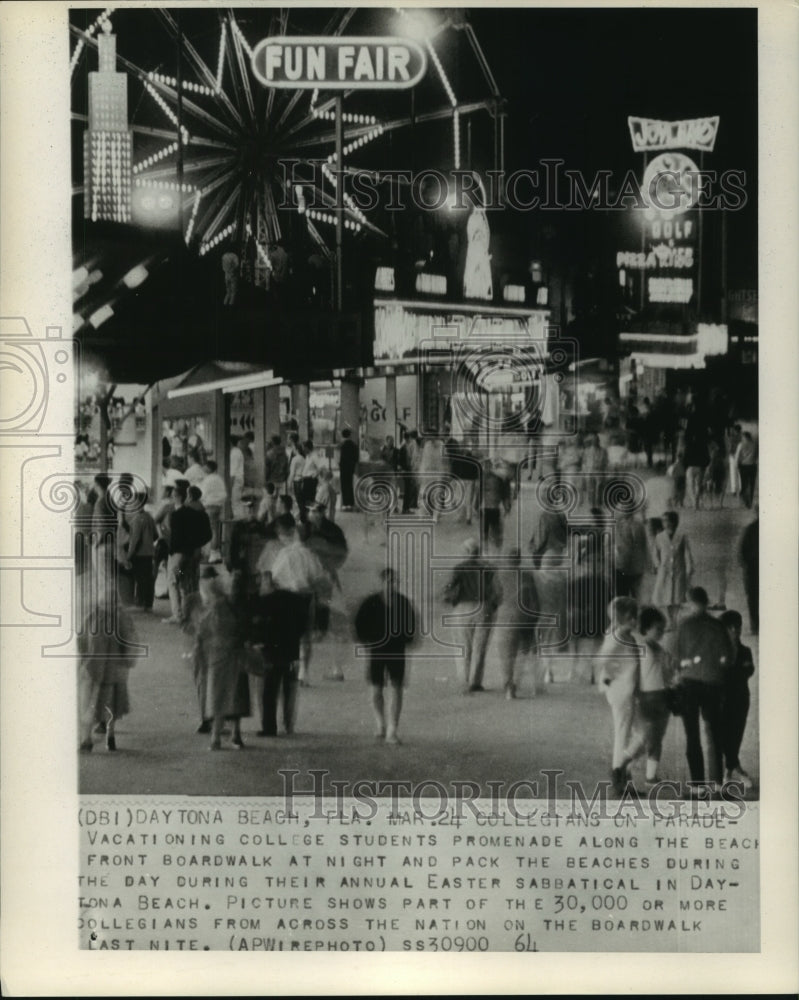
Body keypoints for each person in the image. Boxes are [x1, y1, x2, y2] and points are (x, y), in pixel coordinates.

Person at [674, 587, 734, 789]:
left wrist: (683, 667)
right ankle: (717, 783)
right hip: (713, 684)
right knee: (714, 734)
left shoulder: (684, 625)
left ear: (690, 602)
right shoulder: (718, 626)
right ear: (707, 602)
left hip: (689, 683)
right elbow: (728, 657)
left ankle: (697, 784)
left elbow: (676, 657)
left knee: (692, 735)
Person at [612, 606, 677, 788]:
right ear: (646, 628)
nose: (661, 632)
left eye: (662, 628)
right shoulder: (642, 647)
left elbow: (666, 672)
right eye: (658, 628)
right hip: (647, 697)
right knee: (645, 736)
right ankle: (621, 765)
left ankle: (650, 776)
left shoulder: (660, 649)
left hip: (662, 695)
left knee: (657, 737)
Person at [355, 568, 418, 744]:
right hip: (377, 650)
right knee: (376, 689)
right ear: (382, 582)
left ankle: (392, 729)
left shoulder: (403, 602)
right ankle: (380, 723)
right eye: (390, 581)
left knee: (397, 688)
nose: (393, 584)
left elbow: (410, 626)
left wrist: (406, 639)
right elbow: (360, 624)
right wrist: (367, 641)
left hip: (396, 651)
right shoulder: (371, 602)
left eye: (395, 581)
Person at [190, 566, 250, 750]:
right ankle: (235, 735)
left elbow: (202, 630)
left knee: (218, 697)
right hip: (235, 654)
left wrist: (198, 650)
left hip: (218, 657)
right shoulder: (238, 607)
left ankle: (216, 737)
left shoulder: (215, 608)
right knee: (236, 695)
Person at [271, 514, 332, 686]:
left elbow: (275, 577)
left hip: (287, 597)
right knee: (305, 637)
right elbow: (319, 576)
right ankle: (303, 673)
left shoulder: (284, 554)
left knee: (288, 635)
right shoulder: (308, 553)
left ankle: (290, 670)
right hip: (306, 597)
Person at [443, 538, 503, 694]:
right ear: (478, 552)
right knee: (480, 646)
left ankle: (464, 680)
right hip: (484, 607)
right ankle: (475, 681)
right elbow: (497, 591)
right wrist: (493, 605)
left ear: (466, 551)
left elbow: (448, 588)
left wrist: (452, 601)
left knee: (464, 645)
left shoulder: (459, 568)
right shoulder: (489, 568)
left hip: (463, 608)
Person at [250, 571, 306, 737]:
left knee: (269, 692)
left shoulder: (265, 602)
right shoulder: (296, 600)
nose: (260, 587)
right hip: (292, 652)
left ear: (269, 583)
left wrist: (257, 642)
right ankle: (289, 726)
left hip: (271, 653)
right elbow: (303, 625)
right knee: (290, 692)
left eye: (262, 583)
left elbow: (261, 627)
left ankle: (269, 727)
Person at [78, 598, 137, 752]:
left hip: (96, 668)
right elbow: (130, 644)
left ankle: (88, 739)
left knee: (90, 703)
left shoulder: (92, 617)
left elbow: (82, 640)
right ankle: (108, 736)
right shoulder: (121, 618)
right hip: (109, 670)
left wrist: (83, 661)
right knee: (111, 703)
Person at [595, 596, 640, 797]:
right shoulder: (620, 635)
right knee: (626, 734)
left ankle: (623, 778)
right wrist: (610, 680)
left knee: (630, 734)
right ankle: (618, 775)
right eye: (633, 617)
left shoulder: (618, 633)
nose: (636, 620)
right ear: (626, 617)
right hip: (623, 692)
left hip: (623, 690)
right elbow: (602, 659)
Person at [163, 482, 211, 625]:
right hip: (190, 554)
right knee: (185, 581)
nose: (171, 499)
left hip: (177, 555)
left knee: (172, 581)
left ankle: (177, 614)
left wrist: (171, 551)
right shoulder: (194, 514)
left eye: (172, 496)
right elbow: (205, 534)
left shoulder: (177, 515)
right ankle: (188, 613)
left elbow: (176, 537)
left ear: (177, 497)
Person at [718, 609, 755, 789]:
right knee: (724, 736)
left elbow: (748, 671)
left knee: (737, 735)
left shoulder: (745, 651)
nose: (735, 630)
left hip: (740, 699)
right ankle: (733, 768)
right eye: (731, 627)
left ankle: (730, 769)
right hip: (722, 700)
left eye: (738, 626)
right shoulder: (717, 652)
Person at [498, 549, 543, 699]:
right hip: (525, 617)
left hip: (506, 618)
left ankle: (508, 686)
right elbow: (535, 600)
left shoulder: (499, 575)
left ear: (506, 560)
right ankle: (515, 684)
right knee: (522, 653)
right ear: (519, 560)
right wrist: (534, 620)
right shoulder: (527, 575)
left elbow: (494, 597)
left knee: (507, 654)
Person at [651, 511, 694, 630]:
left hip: (679, 570)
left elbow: (687, 553)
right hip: (664, 571)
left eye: (669, 521)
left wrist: (690, 567)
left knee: (677, 596)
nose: (667, 524)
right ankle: (670, 620)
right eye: (664, 521)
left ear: (675, 522)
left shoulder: (682, 536)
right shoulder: (659, 537)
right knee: (665, 597)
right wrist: (658, 565)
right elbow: (655, 553)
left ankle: (674, 620)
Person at [125, 491, 156, 612]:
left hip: (139, 554)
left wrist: (129, 555)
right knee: (148, 579)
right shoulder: (149, 517)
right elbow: (156, 535)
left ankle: (140, 603)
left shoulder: (137, 519)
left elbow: (135, 540)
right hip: (149, 552)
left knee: (140, 579)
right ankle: (148, 604)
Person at [477, 457, 512, 553]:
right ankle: (495, 553)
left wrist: (476, 505)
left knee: (486, 534)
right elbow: (506, 495)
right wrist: (507, 507)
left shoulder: (487, 477)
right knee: (495, 534)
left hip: (487, 509)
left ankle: (487, 554)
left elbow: (478, 492)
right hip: (493, 508)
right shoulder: (501, 478)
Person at [614, 509, 649, 600]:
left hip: (632, 566)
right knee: (622, 595)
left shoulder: (637, 525)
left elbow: (640, 545)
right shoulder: (618, 524)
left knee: (635, 595)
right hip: (620, 565)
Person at [200, 460, 227, 564]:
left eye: (204, 466)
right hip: (218, 506)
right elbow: (224, 494)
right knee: (215, 529)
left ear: (208, 468)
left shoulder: (208, 480)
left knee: (211, 531)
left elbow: (202, 494)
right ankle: (216, 553)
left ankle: (211, 554)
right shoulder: (219, 478)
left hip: (209, 505)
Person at [739, 513, 759, 635]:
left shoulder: (750, 529)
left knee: (753, 598)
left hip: (752, 569)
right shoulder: (751, 529)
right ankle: (755, 624)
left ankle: (755, 624)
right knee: (753, 598)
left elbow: (742, 551)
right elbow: (742, 552)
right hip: (753, 568)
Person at [735, 431, 758, 509]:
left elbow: (737, 456)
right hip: (753, 466)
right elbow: (757, 455)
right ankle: (750, 503)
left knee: (744, 484)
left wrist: (736, 465)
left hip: (743, 466)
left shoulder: (741, 445)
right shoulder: (754, 445)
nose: (742, 438)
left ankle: (744, 502)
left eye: (742, 437)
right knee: (752, 484)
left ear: (745, 437)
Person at [339, 428, 359, 512]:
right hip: (350, 468)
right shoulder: (354, 445)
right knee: (350, 485)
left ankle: (345, 504)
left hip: (343, 468)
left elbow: (341, 458)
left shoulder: (342, 445)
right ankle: (351, 504)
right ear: (349, 435)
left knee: (344, 486)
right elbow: (356, 458)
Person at [229, 436, 246, 519]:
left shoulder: (234, 453)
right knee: (236, 503)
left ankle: (238, 521)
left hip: (235, 480)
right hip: (238, 479)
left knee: (235, 503)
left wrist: (230, 486)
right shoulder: (237, 451)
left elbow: (233, 472)